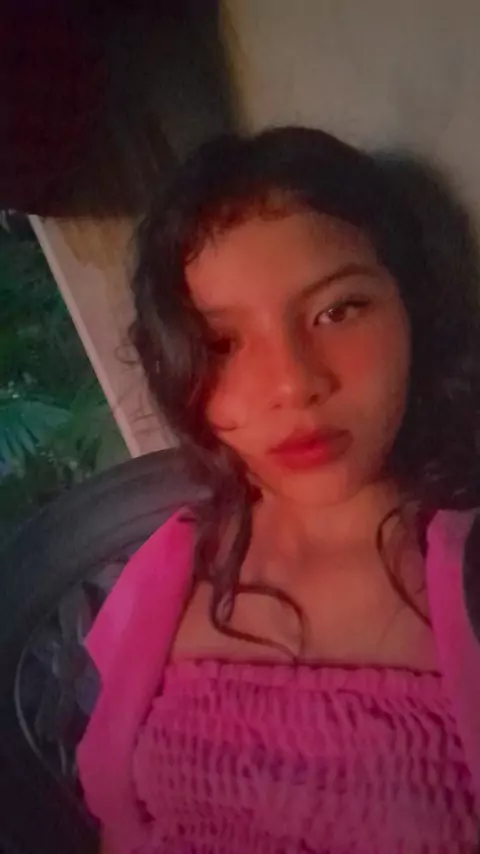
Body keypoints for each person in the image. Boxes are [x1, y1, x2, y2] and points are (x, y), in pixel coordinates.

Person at [77, 126, 480, 853]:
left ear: (414, 309)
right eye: (222, 343)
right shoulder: (171, 567)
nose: (294, 384)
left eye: (338, 310)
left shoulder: (467, 573)